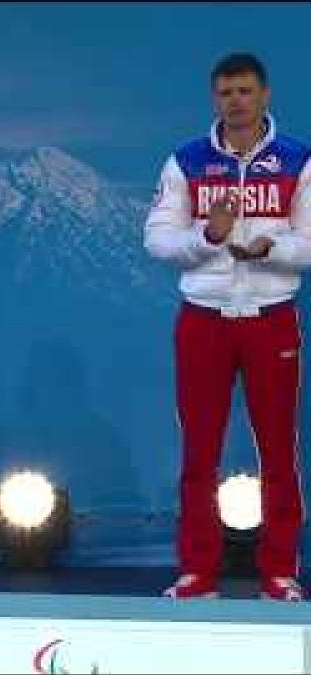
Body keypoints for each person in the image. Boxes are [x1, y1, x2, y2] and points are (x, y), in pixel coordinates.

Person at [145, 52, 311, 601]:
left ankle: (280, 572)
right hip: (204, 321)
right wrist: (207, 238)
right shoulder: (187, 162)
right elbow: (158, 239)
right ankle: (197, 572)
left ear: (265, 95)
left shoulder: (297, 160)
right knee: (199, 451)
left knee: (278, 450)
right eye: (224, 92)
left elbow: (309, 242)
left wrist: (274, 247)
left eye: (244, 91)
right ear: (213, 99)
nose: (235, 101)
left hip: (270, 320)